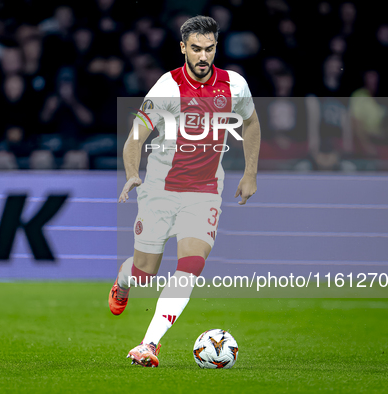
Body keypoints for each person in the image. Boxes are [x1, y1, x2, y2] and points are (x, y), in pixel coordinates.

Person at [108, 16, 260, 367]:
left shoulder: (235, 85)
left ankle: (149, 344)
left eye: (209, 49)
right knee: (144, 272)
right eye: (196, 49)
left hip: (205, 191)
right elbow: (135, 138)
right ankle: (123, 281)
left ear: (216, 47)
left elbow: (251, 123)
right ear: (183, 48)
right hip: (160, 189)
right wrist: (132, 173)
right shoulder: (167, 88)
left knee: (190, 265)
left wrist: (250, 172)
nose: (203, 56)